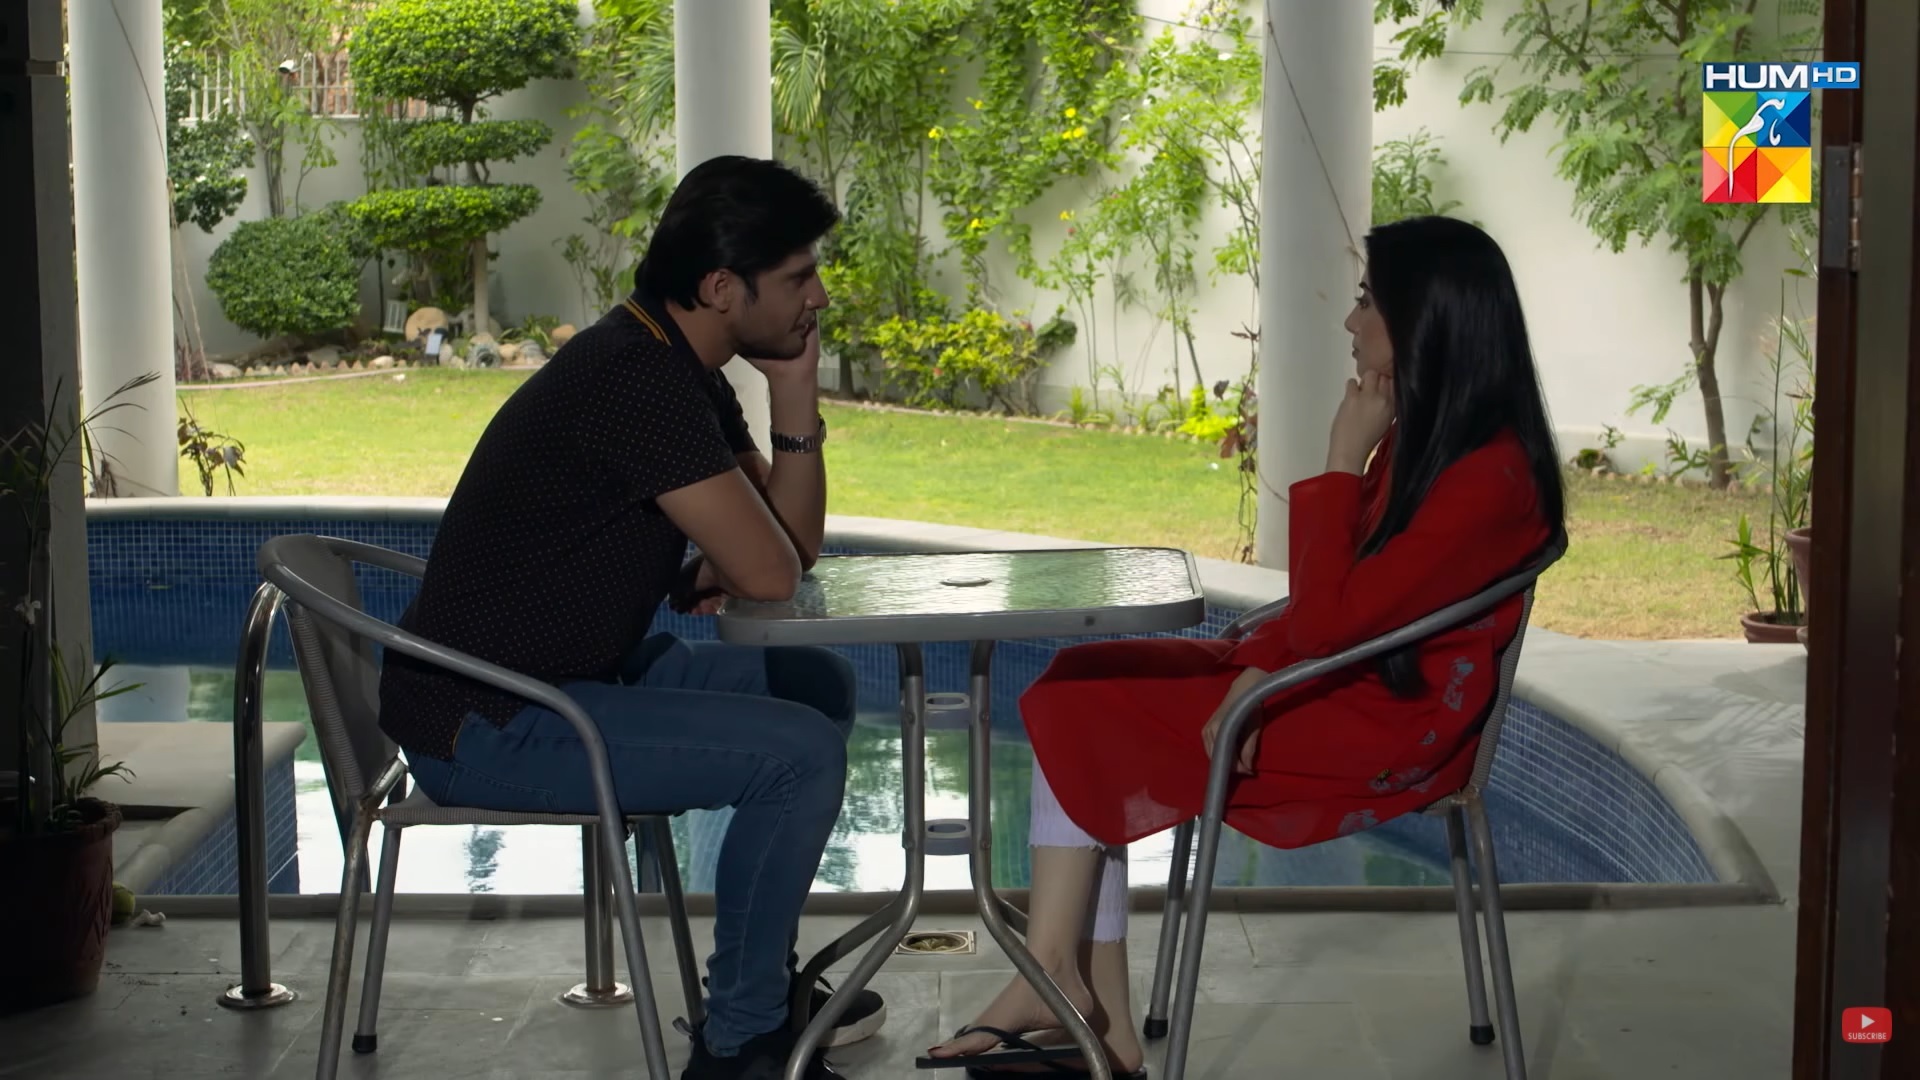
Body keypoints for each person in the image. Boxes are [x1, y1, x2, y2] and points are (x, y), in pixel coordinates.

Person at [921, 215, 1568, 1078]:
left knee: (1085, 708)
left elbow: (1333, 620)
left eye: (1368, 300)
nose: (1350, 320)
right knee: (1078, 679)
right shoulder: (1438, 439)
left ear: (1426, 321)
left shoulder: (1486, 477)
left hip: (1383, 726)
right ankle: (1087, 1009)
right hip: (1334, 682)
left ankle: (1058, 984)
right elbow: (1346, 609)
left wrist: (1341, 458)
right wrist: (1266, 661)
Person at [377, 155, 882, 1080]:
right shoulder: (634, 378)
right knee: (799, 754)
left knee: (816, 683)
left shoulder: (676, 364)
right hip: (493, 718)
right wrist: (745, 553)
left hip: (571, 678)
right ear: (722, 287)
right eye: (799, 277)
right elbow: (771, 572)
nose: (818, 297)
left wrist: (795, 395)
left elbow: (789, 548)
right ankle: (741, 1047)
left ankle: (756, 987)